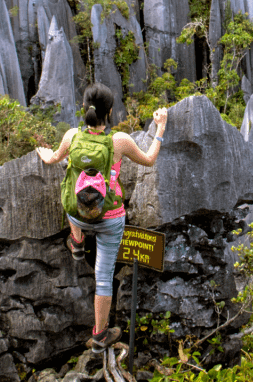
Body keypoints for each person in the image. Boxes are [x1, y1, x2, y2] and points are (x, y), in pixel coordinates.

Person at [37, 83, 168, 352]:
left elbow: (53, 159)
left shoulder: (72, 136)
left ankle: (77, 243)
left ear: (85, 109)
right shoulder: (119, 141)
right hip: (109, 218)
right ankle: (100, 335)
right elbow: (150, 159)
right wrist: (160, 128)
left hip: (79, 215)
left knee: (70, 196)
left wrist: (45, 155)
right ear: (109, 111)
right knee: (103, 277)